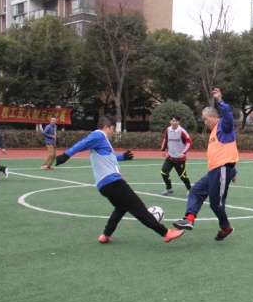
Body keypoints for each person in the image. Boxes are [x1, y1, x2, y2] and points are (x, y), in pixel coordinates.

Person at [55, 115, 182, 243]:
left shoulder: (100, 140)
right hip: (113, 182)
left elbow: (108, 156)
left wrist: (122, 157)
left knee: (121, 207)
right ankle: (165, 233)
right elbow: (83, 143)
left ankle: (106, 234)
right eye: (112, 129)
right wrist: (66, 155)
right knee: (138, 208)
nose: (113, 132)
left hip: (104, 185)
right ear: (106, 127)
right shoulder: (99, 135)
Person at [172, 88, 238, 241]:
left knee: (216, 204)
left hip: (221, 170)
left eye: (206, 119)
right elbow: (228, 150)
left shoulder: (224, 126)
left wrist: (219, 100)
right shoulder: (214, 132)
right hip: (214, 171)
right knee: (196, 191)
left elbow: (228, 116)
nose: (205, 123)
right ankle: (189, 219)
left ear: (214, 116)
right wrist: (234, 171)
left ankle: (226, 228)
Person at [160, 114, 193, 196]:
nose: (174, 122)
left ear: (179, 122)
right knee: (163, 172)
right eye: (173, 121)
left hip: (179, 159)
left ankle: (189, 189)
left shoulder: (182, 131)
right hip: (170, 157)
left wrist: (183, 152)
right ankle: (169, 188)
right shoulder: (168, 130)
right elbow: (165, 139)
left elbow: (189, 141)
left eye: (176, 121)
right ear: (170, 121)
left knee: (182, 176)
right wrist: (163, 149)